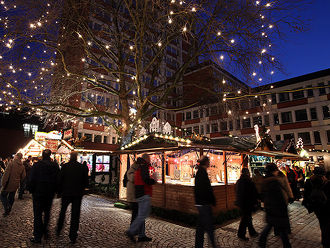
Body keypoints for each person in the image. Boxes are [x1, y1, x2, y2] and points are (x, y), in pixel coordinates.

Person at [27, 149, 60, 243]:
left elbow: (31, 179)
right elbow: (58, 179)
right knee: (47, 213)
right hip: (49, 193)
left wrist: (31, 190)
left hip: (38, 193)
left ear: (42, 155)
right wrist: (56, 190)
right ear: (50, 155)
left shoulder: (37, 165)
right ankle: (45, 231)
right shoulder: (54, 166)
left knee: (37, 214)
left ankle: (37, 236)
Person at [56, 151, 89, 244]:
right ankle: (73, 235)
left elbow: (60, 180)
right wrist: (82, 189)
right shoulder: (82, 167)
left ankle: (58, 229)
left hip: (66, 193)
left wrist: (59, 191)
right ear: (77, 157)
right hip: (77, 194)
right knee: (75, 215)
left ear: (70, 157)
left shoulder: (65, 166)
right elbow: (86, 181)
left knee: (62, 212)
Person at [258, 163, 292, 248]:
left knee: (271, 225)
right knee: (279, 228)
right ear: (274, 170)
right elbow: (279, 196)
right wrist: (284, 206)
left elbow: (261, 194)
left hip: (269, 206)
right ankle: (286, 245)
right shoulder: (274, 181)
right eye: (276, 170)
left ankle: (262, 242)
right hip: (277, 207)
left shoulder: (264, 179)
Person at [125, 154, 156, 243]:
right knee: (139, 215)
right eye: (149, 158)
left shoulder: (141, 167)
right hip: (137, 195)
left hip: (138, 194)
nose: (150, 160)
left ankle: (140, 234)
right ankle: (132, 232)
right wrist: (153, 180)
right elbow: (133, 177)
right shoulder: (139, 168)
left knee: (141, 215)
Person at [303, 166, 330, 248]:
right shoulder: (327, 183)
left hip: (316, 208)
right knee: (327, 226)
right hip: (327, 208)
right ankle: (326, 242)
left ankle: (325, 241)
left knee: (323, 224)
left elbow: (306, 196)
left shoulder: (308, 182)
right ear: (323, 174)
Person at [194, 156, 217, 248]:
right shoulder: (202, 173)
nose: (210, 163)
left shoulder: (200, 172)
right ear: (206, 162)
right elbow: (206, 189)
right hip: (204, 203)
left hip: (201, 202)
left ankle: (198, 245)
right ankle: (213, 245)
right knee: (209, 227)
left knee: (201, 227)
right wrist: (212, 200)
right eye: (208, 161)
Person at [236, 167, 258, 241]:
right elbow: (253, 193)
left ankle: (252, 232)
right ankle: (241, 234)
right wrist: (255, 202)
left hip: (242, 203)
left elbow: (237, 192)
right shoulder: (248, 181)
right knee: (246, 218)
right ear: (247, 173)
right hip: (248, 203)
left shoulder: (239, 181)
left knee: (247, 217)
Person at [1, 153, 25, 217]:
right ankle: (9, 209)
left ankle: (7, 207)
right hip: (16, 184)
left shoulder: (11, 163)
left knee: (2, 195)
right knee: (11, 197)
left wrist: (3, 182)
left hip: (8, 183)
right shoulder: (22, 166)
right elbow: (23, 176)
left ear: (16, 156)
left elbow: (6, 174)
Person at [126, 158, 142, 224]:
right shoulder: (133, 170)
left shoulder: (134, 169)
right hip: (134, 196)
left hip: (137, 196)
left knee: (137, 213)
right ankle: (133, 228)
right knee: (136, 212)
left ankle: (134, 228)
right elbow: (132, 178)